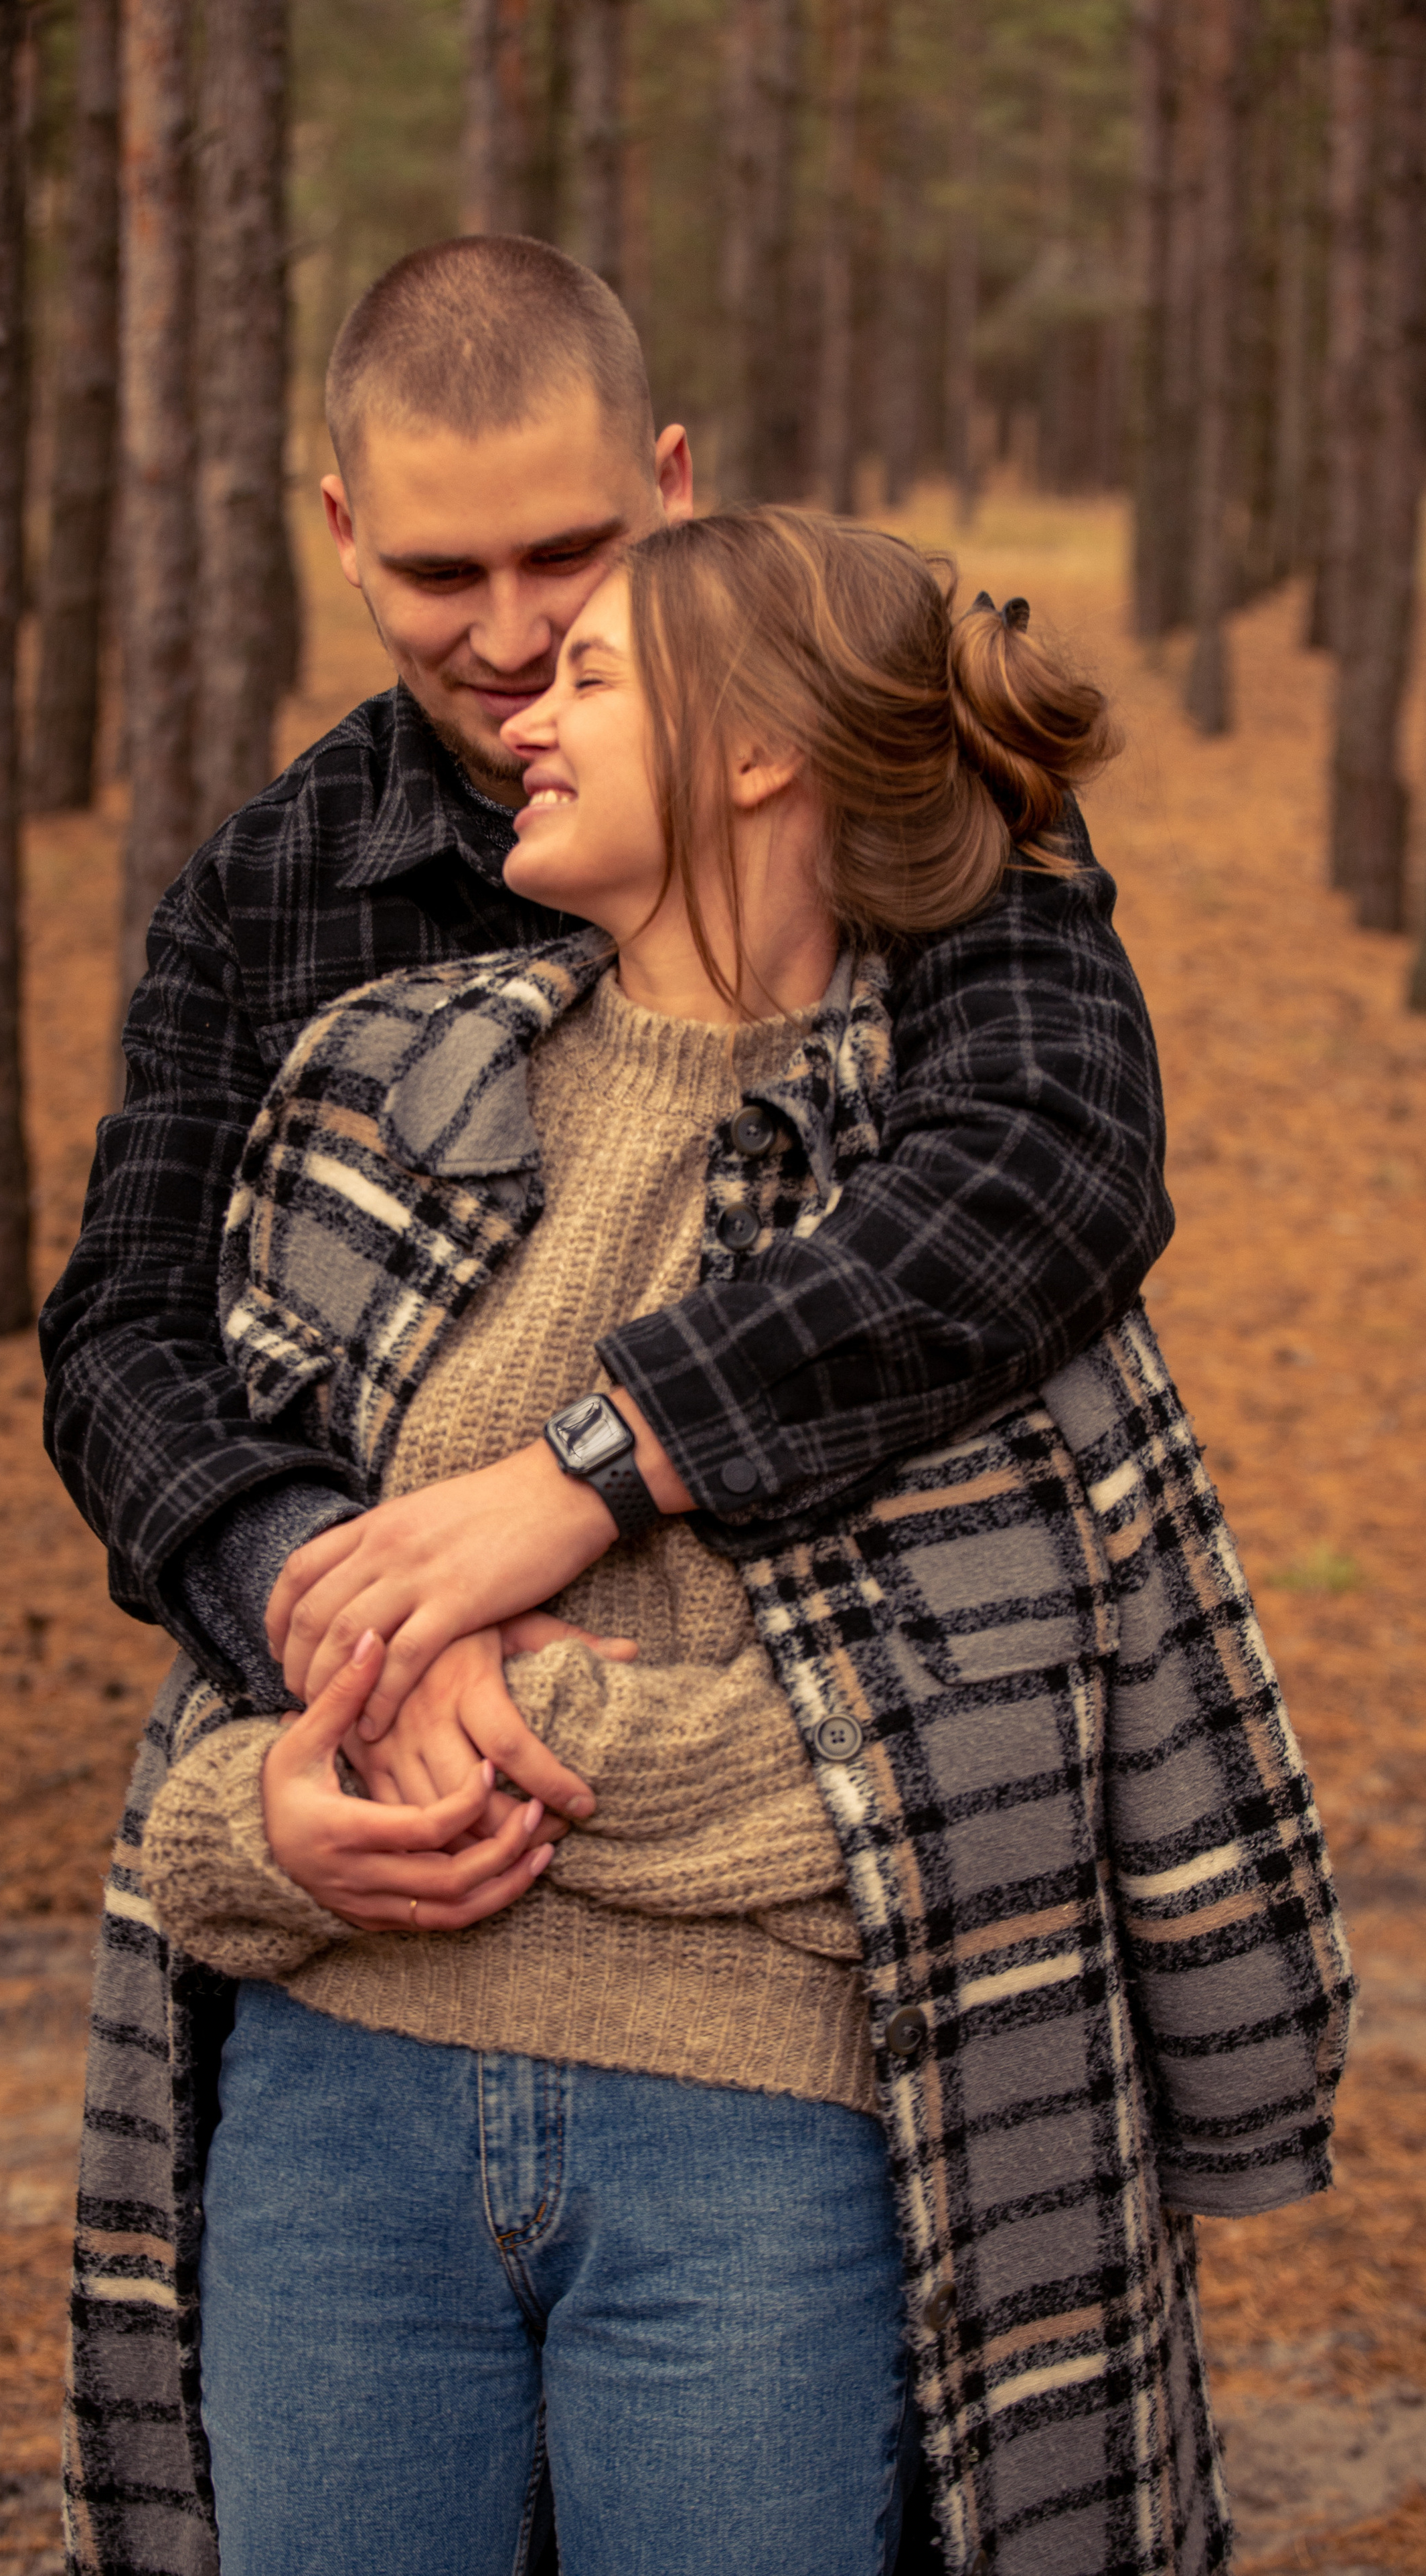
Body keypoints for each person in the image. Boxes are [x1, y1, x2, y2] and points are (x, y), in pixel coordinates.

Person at [70, 511, 1351, 2576]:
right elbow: (209, 1685)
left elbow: (1000, 1760)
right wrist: (267, 1823)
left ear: (759, 747)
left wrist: (489, 1704)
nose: (520, 716)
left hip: (762, 2148)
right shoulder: (381, 1090)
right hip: (331, 2123)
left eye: (589, 673)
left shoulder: (953, 1194)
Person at [39, 235, 1174, 1846]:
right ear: (344, 535)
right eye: (441, 576)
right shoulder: (268, 892)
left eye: (567, 556)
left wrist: (577, 1476)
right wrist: (347, 1620)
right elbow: (124, 1334)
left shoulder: (881, 779)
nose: (509, 640)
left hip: (835, 1812)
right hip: (377, 1833)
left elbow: (1052, 1161)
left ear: (670, 481)